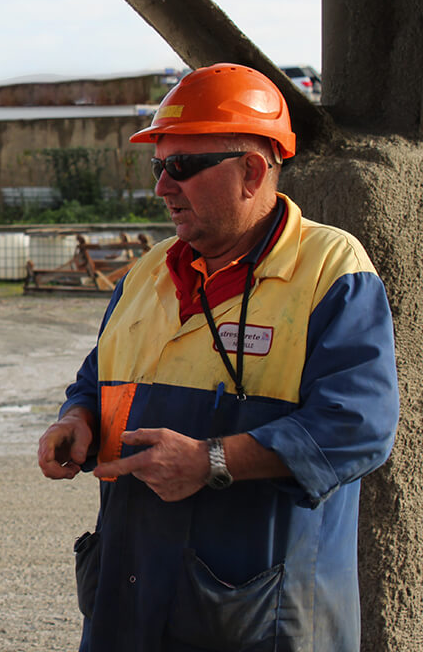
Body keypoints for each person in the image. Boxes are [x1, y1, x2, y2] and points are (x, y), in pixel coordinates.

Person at [36, 63, 399, 651]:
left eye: (181, 167)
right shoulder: (150, 271)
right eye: (159, 166)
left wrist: (213, 460)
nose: (162, 187)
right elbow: (97, 377)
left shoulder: (331, 271)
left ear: (252, 171)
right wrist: (76, 419)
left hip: (262, 615)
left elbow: (358, 424)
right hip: (131, 604)